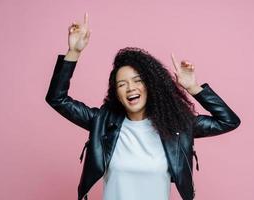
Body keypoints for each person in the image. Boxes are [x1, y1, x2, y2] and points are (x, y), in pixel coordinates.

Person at [45, 13, 241, 200]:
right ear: (116, 93)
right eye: (122, 84)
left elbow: (228, 121)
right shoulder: (102, 123)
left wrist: (194, 88)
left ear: (151, 85)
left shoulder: (176, 128)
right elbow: (57, 99)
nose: (130, 88)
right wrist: (74, 52)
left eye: (138, 81)